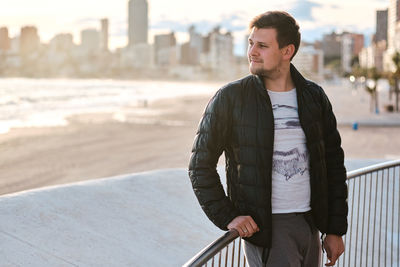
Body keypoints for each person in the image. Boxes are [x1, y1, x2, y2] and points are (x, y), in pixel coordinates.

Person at [188, 10, 348, 267]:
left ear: (287, 51)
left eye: (262, 46)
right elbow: (199, 166)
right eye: (251, 43)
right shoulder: (231, 98)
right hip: (267, 229)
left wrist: (334, 229)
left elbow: (333, 166)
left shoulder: (313, 97)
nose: (252, 52)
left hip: (311, 222)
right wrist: (228, 217)